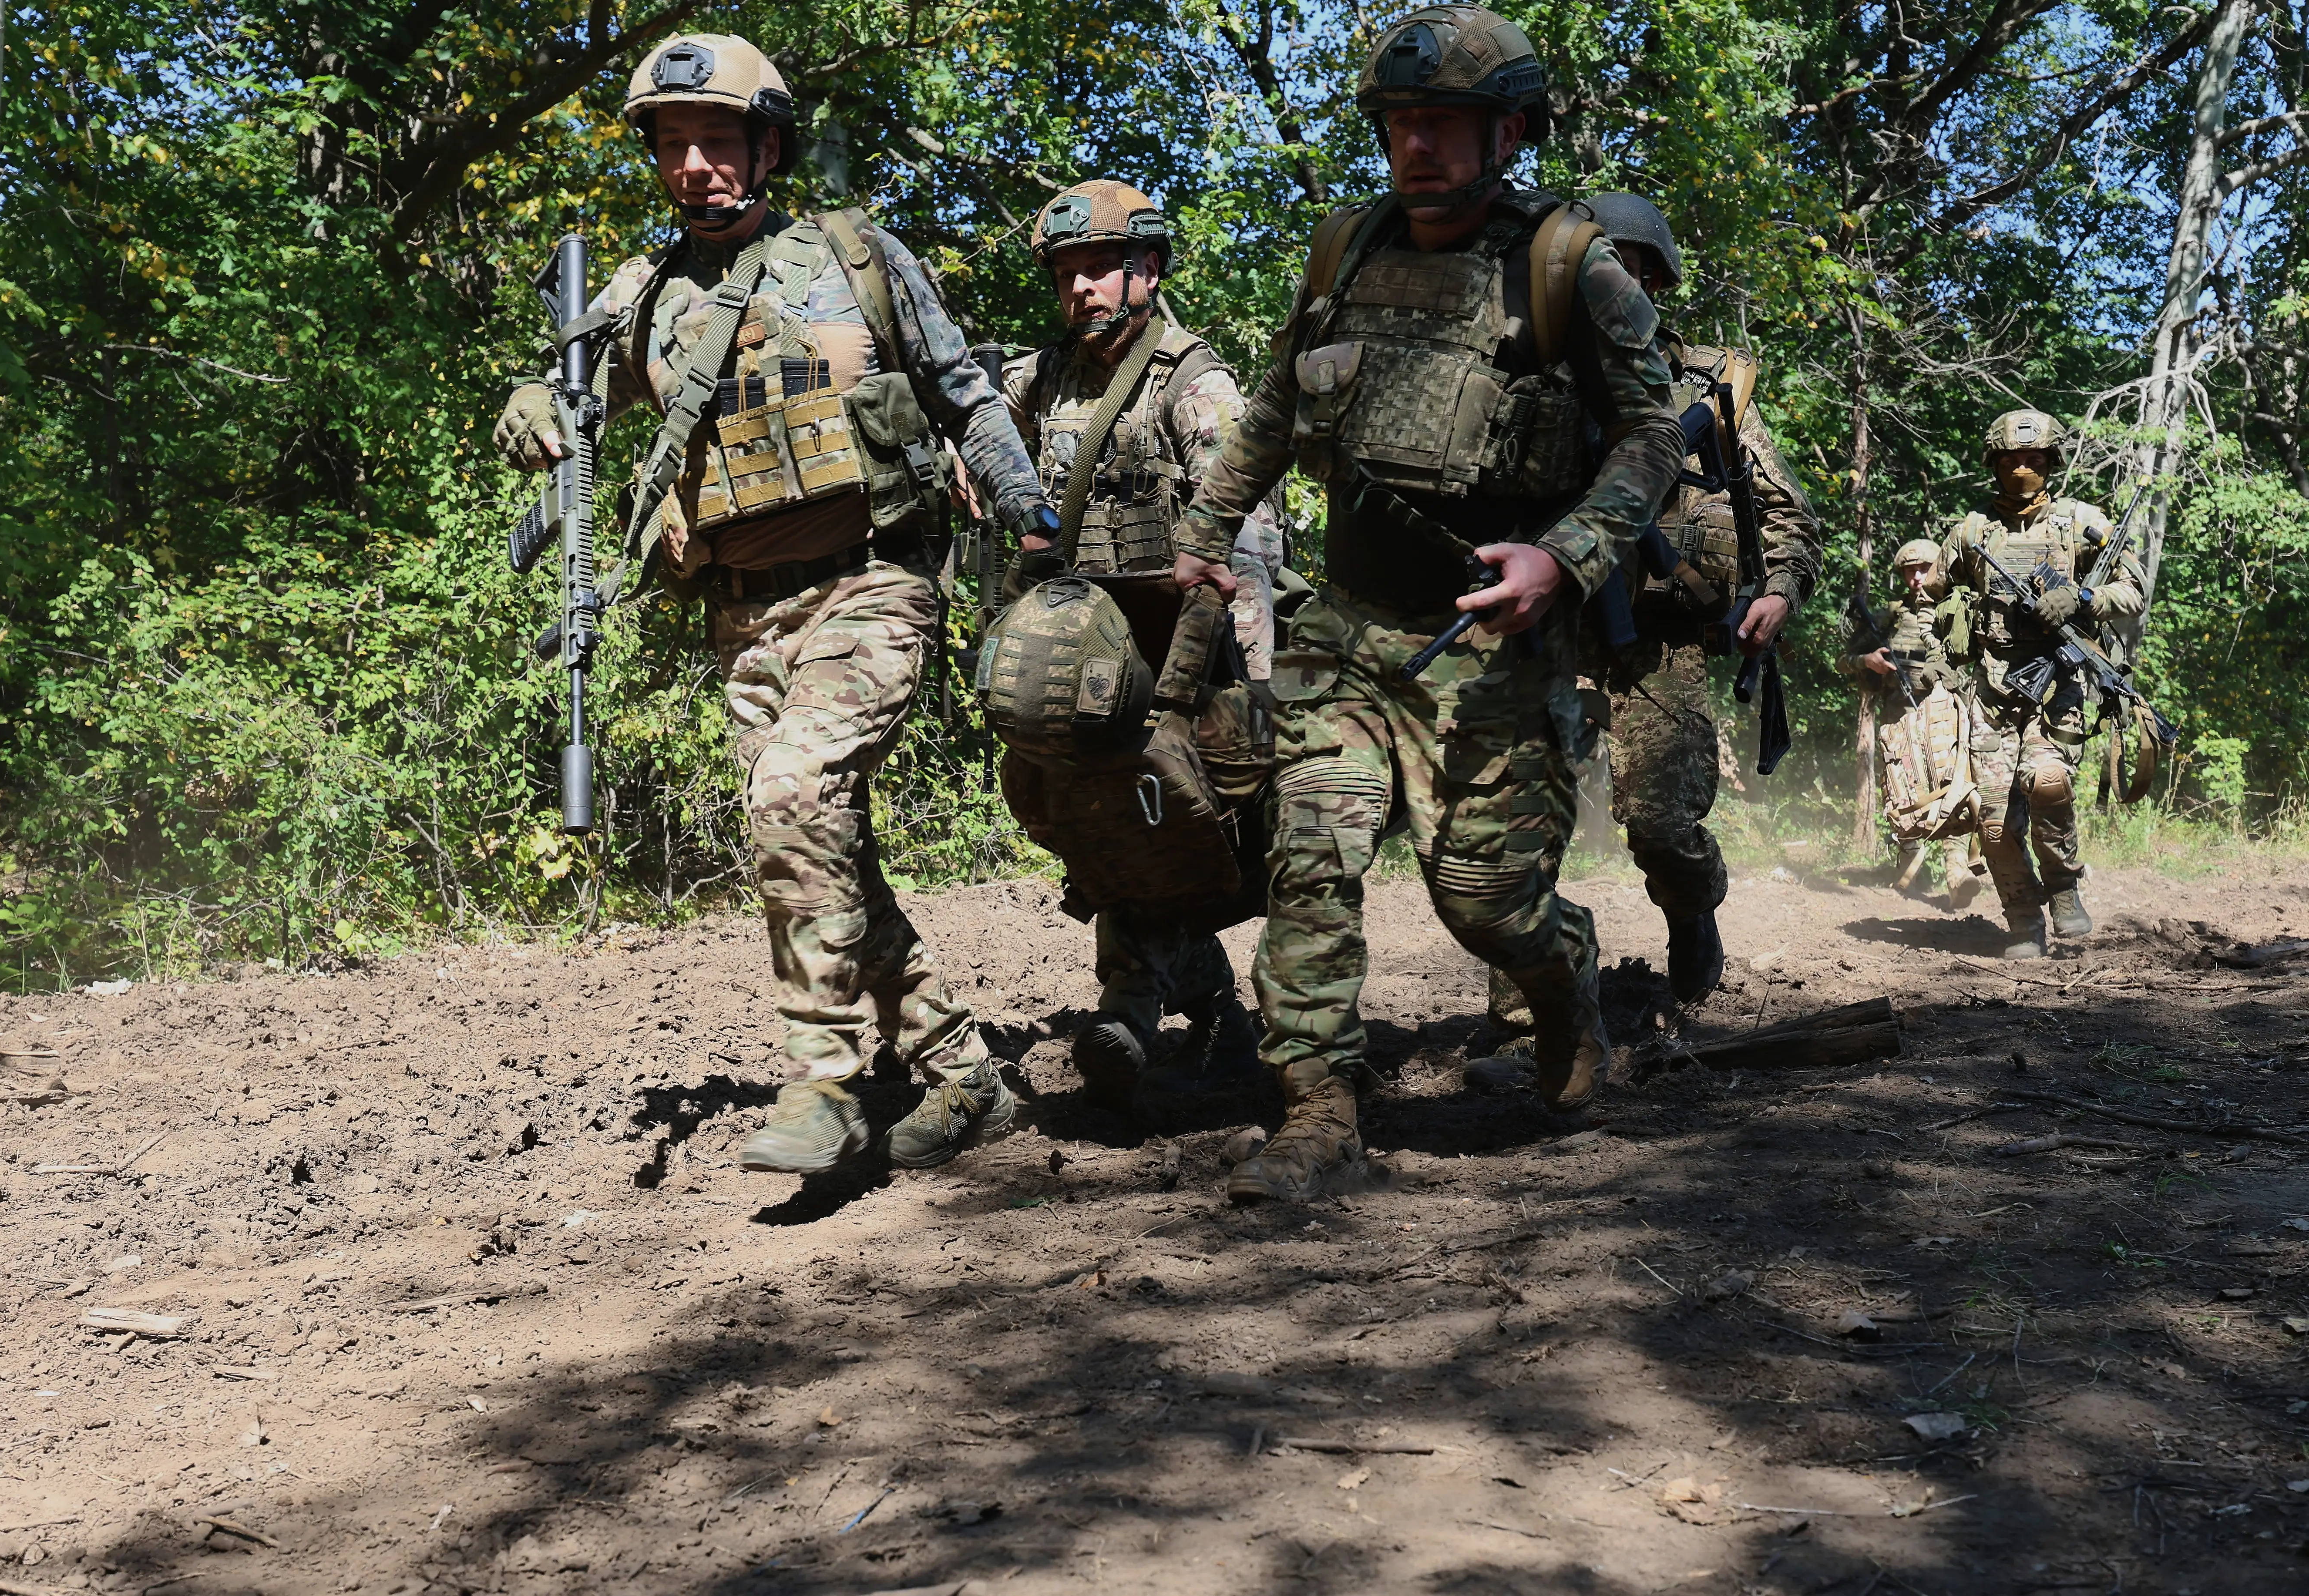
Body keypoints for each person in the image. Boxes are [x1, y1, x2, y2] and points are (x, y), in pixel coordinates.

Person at [492, 33, 1054, 1173]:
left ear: (767, 145)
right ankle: (959, 1068)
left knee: (794, 794)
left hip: (870, 583)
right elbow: (566, 402)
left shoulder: (855, 258)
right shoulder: (638, 293)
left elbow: (961, 392)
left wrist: (1029, 512)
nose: (695, 164)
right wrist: (528, 410)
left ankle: (829, 1077)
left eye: (717, 139)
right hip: (739, 614)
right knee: (815, 835)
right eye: (673, 144)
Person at [1172, 6, 1684, 1200]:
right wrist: (1203, 532)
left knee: (1483, 901)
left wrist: (1565, 555)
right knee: (1310, 855)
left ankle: (1562, 981)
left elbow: (1654, 435)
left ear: (1508, 129)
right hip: (1345, 629)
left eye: (1444, 124)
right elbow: (1270, 408)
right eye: (1402, 123)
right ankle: (1316, 1111)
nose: (1418, 147)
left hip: (1492, 648)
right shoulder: (1343, 249)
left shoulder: (1570, 267)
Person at [993, 179, 1275, 1109]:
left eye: (1099, 271)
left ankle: (1136, 1004)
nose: (1080, 290)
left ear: (1146, 269)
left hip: (1184, 654)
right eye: (1066, 273)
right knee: (1096, 830)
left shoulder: (1196, 381)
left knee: (1183, 832)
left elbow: (1247, 527)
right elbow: (989, 471)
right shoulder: (1035, 381)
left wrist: (1229, 675)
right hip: (1081, 664)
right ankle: (1204, 1009)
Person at [1502, 192, 1818, 1019]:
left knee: (1660, 825)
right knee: (1519, 826)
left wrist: (1779, 590)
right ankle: (1523, 1017)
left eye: (1635, 270)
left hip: (1659, 640)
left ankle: (1692, 908)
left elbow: (1787, 516)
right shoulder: (1524, 379)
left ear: (1657, 281)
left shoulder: (1709, 392)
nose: (1619, 285)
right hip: (1549, 635)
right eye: (1601, 269)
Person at [1934, 408, 2141, 958]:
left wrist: (2084, 598)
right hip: (1992, 693)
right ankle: (2024, 918)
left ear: (2051, 461)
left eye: (2033, 458)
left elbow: (2133, 591)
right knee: (1996, 821)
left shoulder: (2081, 523)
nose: (2021, 467)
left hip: (2057, 685)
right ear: (1994, 464)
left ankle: (2065, 889)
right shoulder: (1972, 531)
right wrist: (1944, 655)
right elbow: (1933, 593)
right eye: (2010, 459)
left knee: (2048, 781)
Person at [1845, 538, 1986, 909]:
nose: (1918, 578)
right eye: (1911, 571)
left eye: (1925, 569)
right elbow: (1843, 659)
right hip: (1901, 718)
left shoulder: (1953, 611)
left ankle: (1957, 874)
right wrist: (1868, 662)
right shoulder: (1890, 616)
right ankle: (1908, 869)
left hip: (1947, 715)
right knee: (1903, 788)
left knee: (1954, 787)